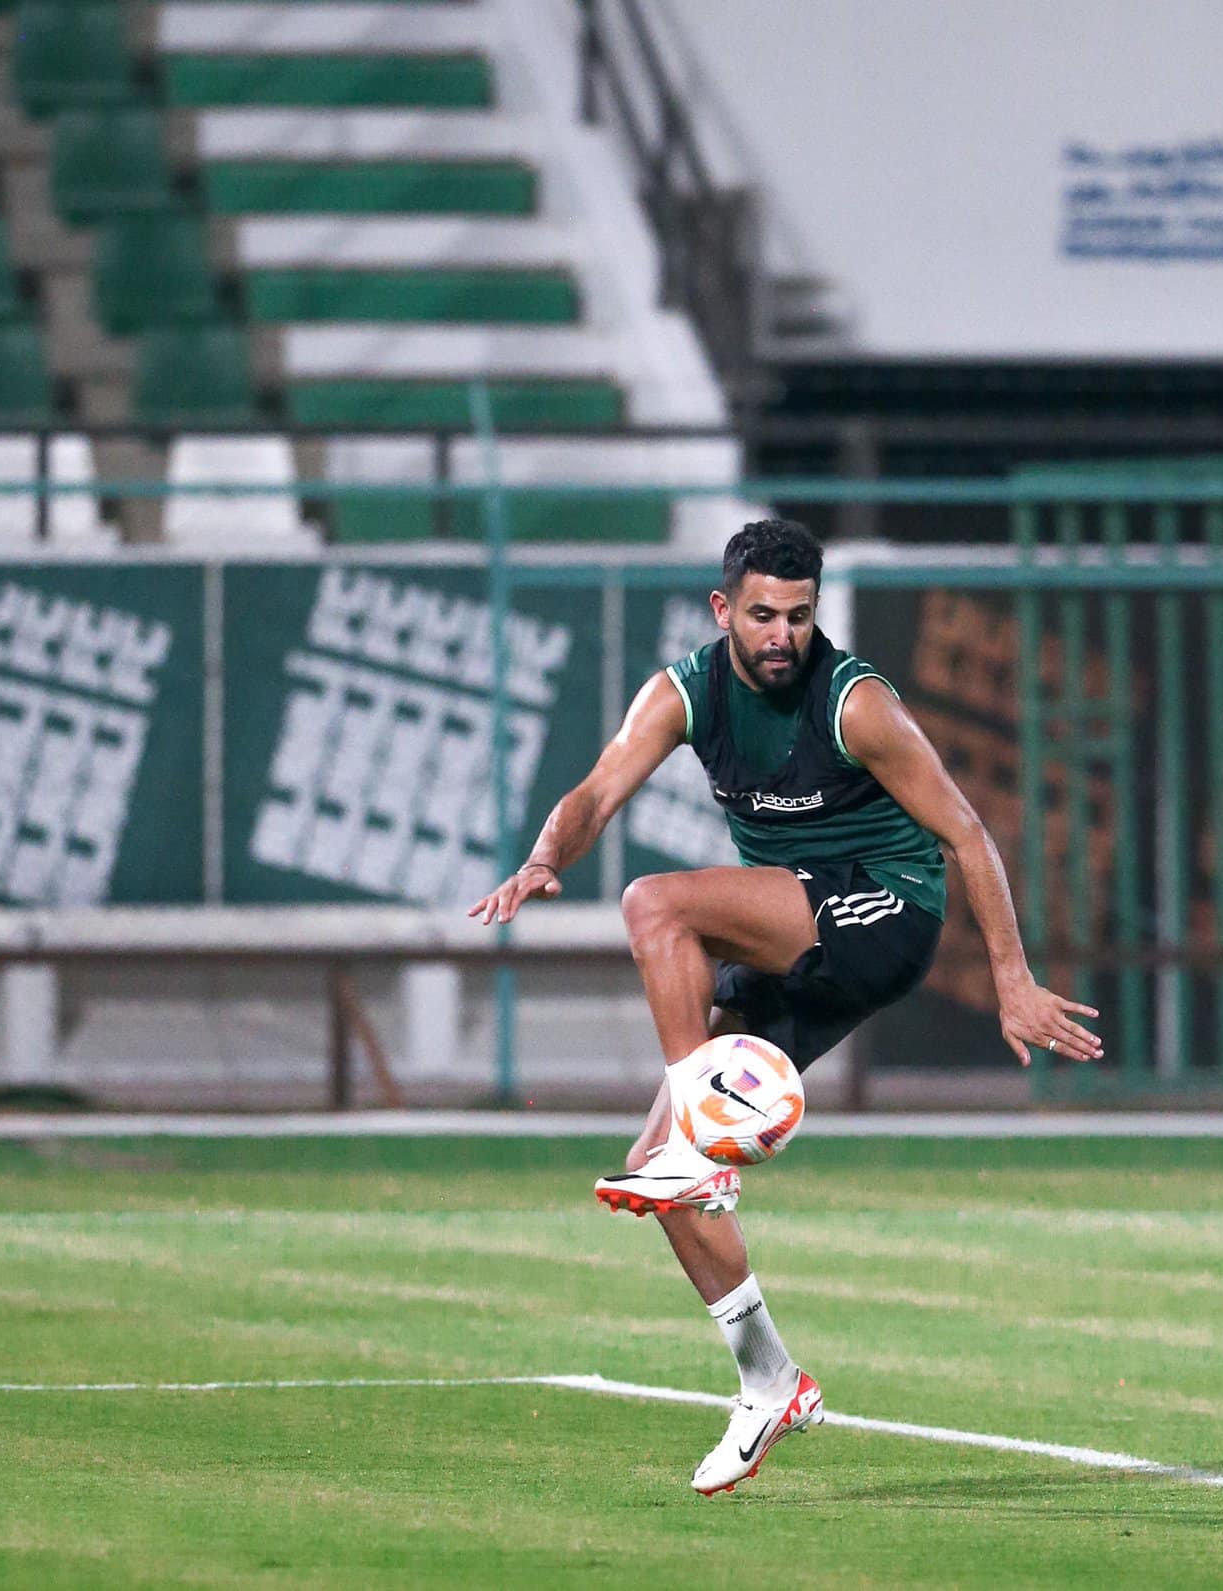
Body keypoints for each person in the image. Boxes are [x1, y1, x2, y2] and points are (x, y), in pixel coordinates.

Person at [469, 518, 1101, 1496]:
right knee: (652, 1178)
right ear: (723, 609)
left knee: (655, 905)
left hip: (886, 906)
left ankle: (700, 1132)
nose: (780, 634)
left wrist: (1011, 979)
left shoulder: (858, 705)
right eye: (762, 613)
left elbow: (967, 832)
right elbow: (598, 791)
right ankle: (768, 1377)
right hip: (798, 924)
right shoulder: (685, 692)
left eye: (798, 617)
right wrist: (545, 857)